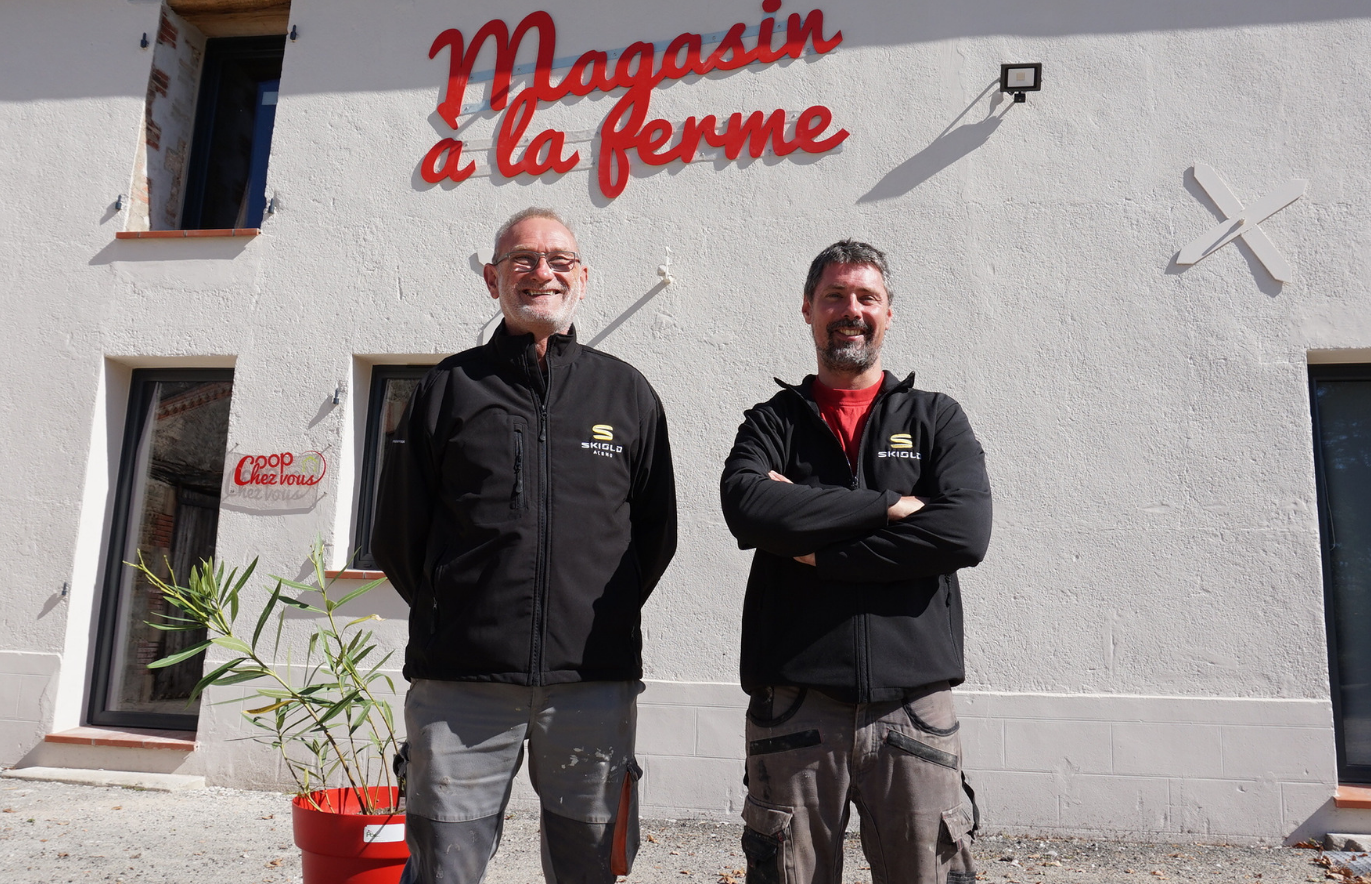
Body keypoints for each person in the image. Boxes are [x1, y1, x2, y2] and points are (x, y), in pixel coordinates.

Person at [373, 207, 677, 884]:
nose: (543, 273)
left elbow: (655, 535)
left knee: (588, 870)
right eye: (523, 260)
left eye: (559, 261)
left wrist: (594, 617)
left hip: (590, 684)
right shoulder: (447, 389)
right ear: (493, 279)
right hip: (461, 684)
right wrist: (459, 615)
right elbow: (396, 534)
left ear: (582, 278)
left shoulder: (626, 394)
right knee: (443, 871)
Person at [719, 239, 993, 884]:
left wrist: (816, 546)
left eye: (867, 297)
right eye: (835, 296)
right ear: (808, 309)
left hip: (914, 704)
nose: (851, 310)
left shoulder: (935, 419)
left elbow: (963, 534)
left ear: (888, 312)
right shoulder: (773, 424)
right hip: (796, 702)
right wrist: (890, 505)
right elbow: (747, 508)